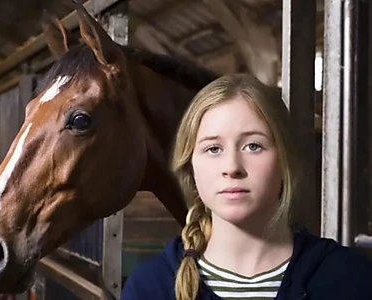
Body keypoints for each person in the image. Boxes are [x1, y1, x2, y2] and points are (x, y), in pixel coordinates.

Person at [120, 74, 372, 300]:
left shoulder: (350, 280)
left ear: (284, 160)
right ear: (190, 166)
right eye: (213, 149)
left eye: (253, 146)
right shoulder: (149, 287)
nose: (232, 167)